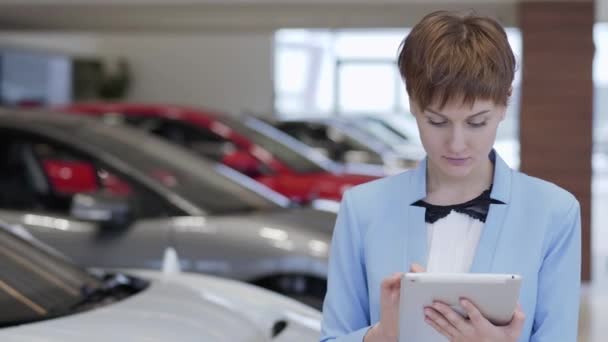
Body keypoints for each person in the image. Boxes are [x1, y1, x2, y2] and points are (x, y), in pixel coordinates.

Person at [320, 10, 581, 342]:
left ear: (505, 104)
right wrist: (381, 336)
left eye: (477, 122)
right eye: (437, 122)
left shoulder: (554, 213)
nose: (457, 144)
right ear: (413, 104)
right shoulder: (363, 209)